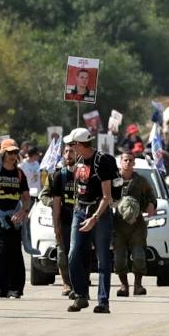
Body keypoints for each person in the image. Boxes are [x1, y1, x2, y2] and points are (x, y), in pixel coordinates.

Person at [64, 127, 118, 314]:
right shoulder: (79, 160)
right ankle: (80, 296)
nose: (70, 148)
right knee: (73, 254)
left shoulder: (101, 161)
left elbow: (107, 196)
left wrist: (94, 218)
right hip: (80, 210)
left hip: (99, 213)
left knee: (103, 258)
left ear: (79, 144)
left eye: (72, 145)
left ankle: (103, 301)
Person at [0, 138, 31, 299]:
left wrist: (23, 212)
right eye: (10, 152)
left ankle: (15, 288)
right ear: (3, 153)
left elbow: (26, 197)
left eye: (15, 152)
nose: (13, 155)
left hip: (15, 219)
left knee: (15, 252)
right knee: (1, 252)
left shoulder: (19, 173)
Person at [113, 152, 157, 297]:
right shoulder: (114, 180)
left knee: (138, 256)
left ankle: (138, 285)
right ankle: (124, 285)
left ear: (134, 163)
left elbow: (151, 197)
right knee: (119, 258)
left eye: (130, 160)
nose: (128, 162)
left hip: (137, 225)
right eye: (125, 160)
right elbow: (104, 196)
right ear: (121, 162)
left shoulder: (141, 181)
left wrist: (151, 205)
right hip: (118, 225)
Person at [40, 146, 78, 296]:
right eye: (66, 152)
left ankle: (79, 282)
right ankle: (66, 283)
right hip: (63, 219)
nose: (69, 155)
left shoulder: (83, 175)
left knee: (79, 253)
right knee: (62, 253)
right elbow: (44, 196)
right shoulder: (56, 175)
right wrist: (54, 204)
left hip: (80, 220)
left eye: (72, 151)